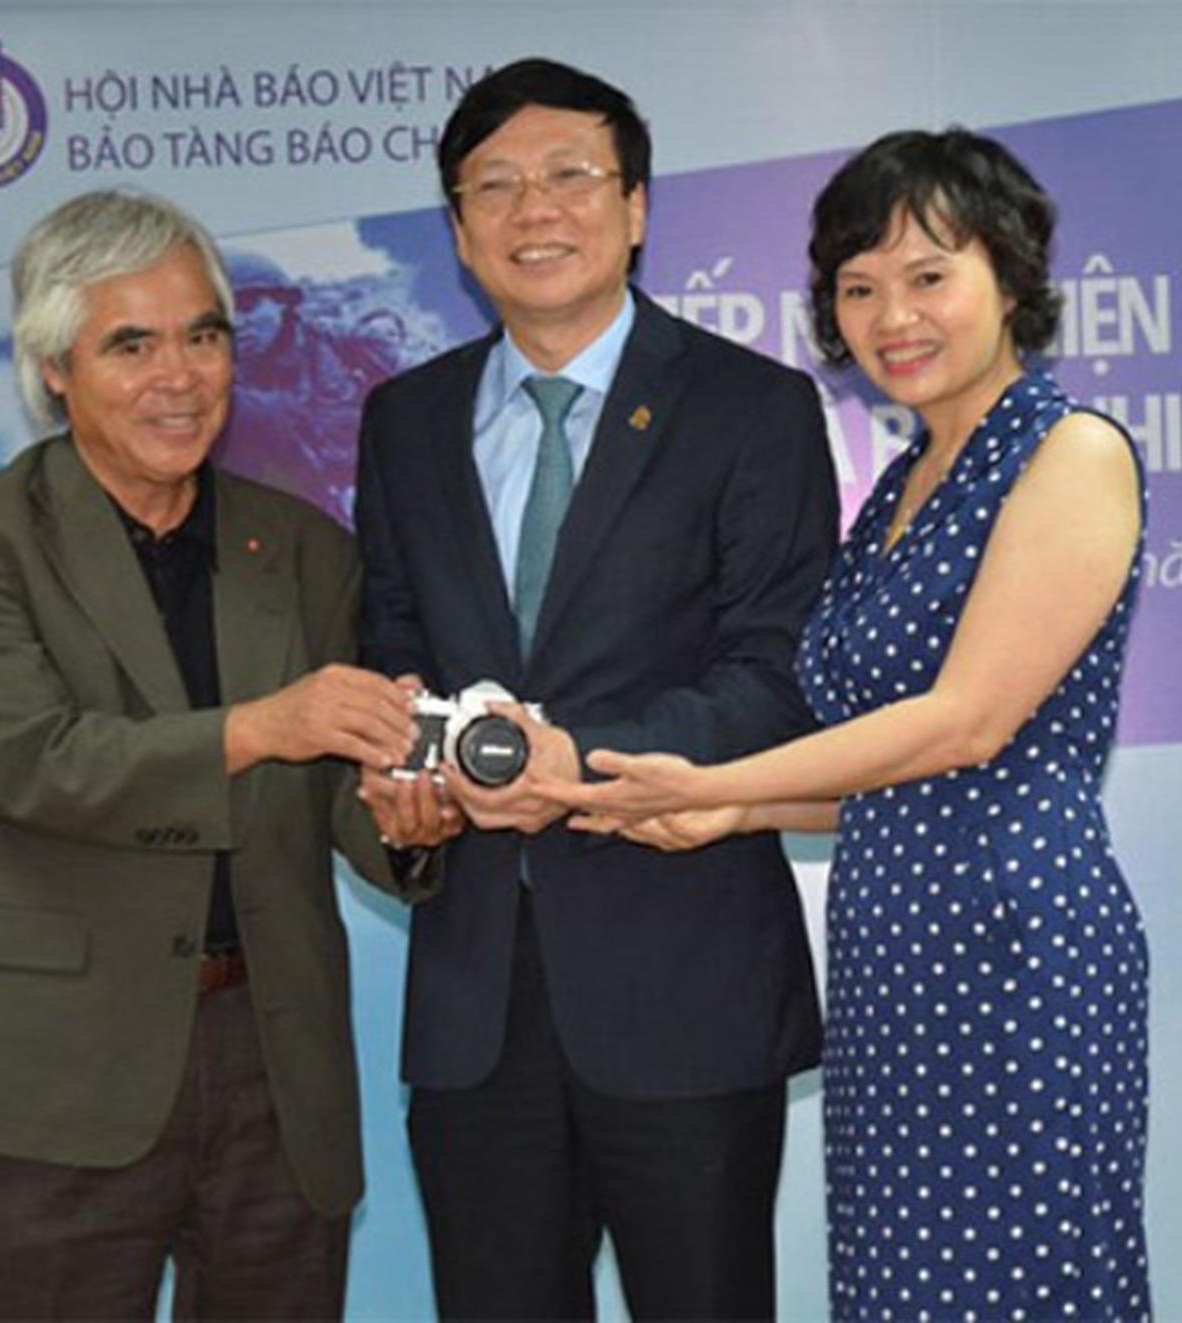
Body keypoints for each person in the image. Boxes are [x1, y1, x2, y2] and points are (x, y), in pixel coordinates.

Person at [538, 128, 1153, 1321]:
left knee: (1019, 1286)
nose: (891, 317)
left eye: (928, 276)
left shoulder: (1070, 452)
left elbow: (964, 727)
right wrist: (730, 811)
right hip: (888, 958)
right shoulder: (900, 488)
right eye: (858, 288)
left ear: (1010, 276)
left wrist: (716, 780)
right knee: (901, 1285)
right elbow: (886, 777)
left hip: (1012, 946)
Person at [354, 58, 840, 1320]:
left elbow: (779, 678)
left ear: (634, 207)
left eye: (570, 175)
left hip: (685, 986)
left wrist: (569, 762)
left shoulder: (752, 407)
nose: (534, 210)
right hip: (475, 1002)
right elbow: (391, 648)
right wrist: (411, 781)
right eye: (495, 186)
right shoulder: (404, 422)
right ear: (458, 229)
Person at [0, 188, 434, 1320]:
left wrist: (407, 820)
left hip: (276, 1065)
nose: (179, 377)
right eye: (131, 345)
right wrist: (262, 726)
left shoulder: (302, 545)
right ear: (55, 366)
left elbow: (342, 795)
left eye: (203, 336)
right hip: (69, 1071)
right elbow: (29, 760)